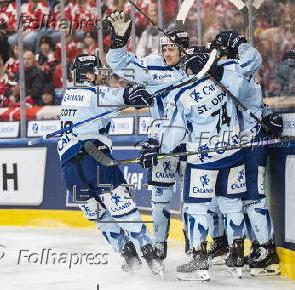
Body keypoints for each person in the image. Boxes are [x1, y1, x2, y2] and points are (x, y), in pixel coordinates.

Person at [139, 46, 248, 281]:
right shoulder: (225, 81)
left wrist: (157, 149)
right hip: (233, 153)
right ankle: (237, 257)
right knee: (232, 204)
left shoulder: (183, 94)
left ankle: (200, 263)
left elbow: (173, 133)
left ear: (189, 67)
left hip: (203, 159)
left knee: (196, 208)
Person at [58, 53, 164, 276]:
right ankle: (150, 255)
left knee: (99, 216)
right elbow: (127, 95)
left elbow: (113, 105)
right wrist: (142, 90)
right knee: (123, 209)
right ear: (88, 74)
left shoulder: (68, 96)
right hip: (96, 160)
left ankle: (128, 255)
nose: (100, 76)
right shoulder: (95, 94)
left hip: (69, 170)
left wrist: (129, 98)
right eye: (96, 71)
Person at [106, 10, 190, 260]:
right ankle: (159, 245)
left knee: (197, 199)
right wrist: (119, 41)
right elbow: (120, 65)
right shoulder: (153, 66)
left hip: (194, 143)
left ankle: (199, 246)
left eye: (171, 48)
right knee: (160, 197)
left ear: (184, 48)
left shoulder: (199, 66)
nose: (166, 53)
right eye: (164, 48)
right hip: (161, 143)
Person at [209, 31, 283, 276]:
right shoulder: (233, 70)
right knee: (241, 199)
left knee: (253, 196)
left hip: (252, 142)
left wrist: (239, 43)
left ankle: (266, 248)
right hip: (240, 144)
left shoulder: (233, 69)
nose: (214, 56)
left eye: (217, 51)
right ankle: (258, 246)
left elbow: (252, 59)